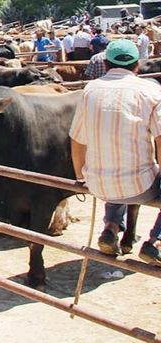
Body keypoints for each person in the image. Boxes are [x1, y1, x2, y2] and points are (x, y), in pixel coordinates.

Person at [70, 39, 161, 266]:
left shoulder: (89, 90)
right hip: (140, 186)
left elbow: (76, 139)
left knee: (115, 163)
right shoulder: (151, 90)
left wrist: (81, 177)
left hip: (98, 184)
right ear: (137, 65)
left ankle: (110, 226)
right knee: (134, 169)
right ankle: (156, 242)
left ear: (106, 64)